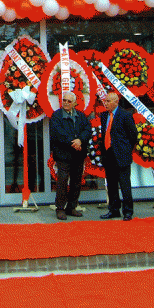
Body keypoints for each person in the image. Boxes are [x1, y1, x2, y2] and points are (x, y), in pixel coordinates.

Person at [49, 91, 91, 220]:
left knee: (76, 182)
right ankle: (60, 208)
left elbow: (87, 129)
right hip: (63, 155)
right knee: (62, 182)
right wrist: (73, 142)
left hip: (78, 155)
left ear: (74, 103)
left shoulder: (81, 115)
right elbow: (58, 133)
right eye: (64, 100)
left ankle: (71, 207)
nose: (66, 103)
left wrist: (80, 141)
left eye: (68, 101)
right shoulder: (56, 116)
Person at [99, 92, 137, 221]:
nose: (106, 103)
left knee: (125, 185)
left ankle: (128, 211)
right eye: (105, 101)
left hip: (122, 155)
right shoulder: (104, 116)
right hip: (108, 155)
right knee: (111, 185)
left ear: (116, 102)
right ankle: (114, 210)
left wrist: (125, 149)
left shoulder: (125, 115)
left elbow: (133, 135)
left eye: (108, 101)